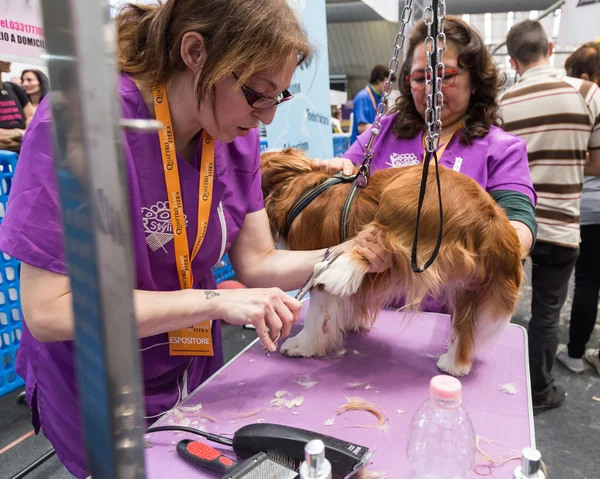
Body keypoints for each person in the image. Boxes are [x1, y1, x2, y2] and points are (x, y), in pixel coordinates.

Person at [0, 1, 386, 477]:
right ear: (195, 52)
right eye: (257, 94)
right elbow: (51, 309)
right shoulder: (84, 124)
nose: (265, 118)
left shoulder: (231, 130)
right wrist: (211, 303)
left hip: (191, 362)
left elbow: (258, 261)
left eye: (279, 97)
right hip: (100, 384)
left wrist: (343, 254)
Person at [344, 16, 537, 268]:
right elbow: (344, 182)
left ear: (475, 80)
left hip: (460, 300)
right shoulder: (383, 132)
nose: (430, 88)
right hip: (380, 301)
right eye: (418, 78)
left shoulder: (502, 149)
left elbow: (519, 225)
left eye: (445, 76)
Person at [499, 21, 600, 413]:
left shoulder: (504, 104)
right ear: (551, 48)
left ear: (512, 60)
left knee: (502, 302)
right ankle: (539, 391)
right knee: (546, 310)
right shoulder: (588, 94)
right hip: (562, 223)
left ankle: (496, 382)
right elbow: (596, 161)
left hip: (513, 225)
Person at [555, 42, 600, 377]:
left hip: (580, 205)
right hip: (586, 205)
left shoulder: (580, 97)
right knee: (588, 279)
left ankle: (572, 353)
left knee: (581, 281)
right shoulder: (590, 96)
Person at [348, 64, 396, 147]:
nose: (390, 86)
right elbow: (361, 128)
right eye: (388, 81)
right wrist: (385, 127)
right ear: (378, 80)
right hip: (360, 149)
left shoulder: (379, 98)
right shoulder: (362, 98)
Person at [0, 61, 34, 152]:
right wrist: (20, 133)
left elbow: (33, 119)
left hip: (23, 158)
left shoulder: (13, 88)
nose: (8, 60)